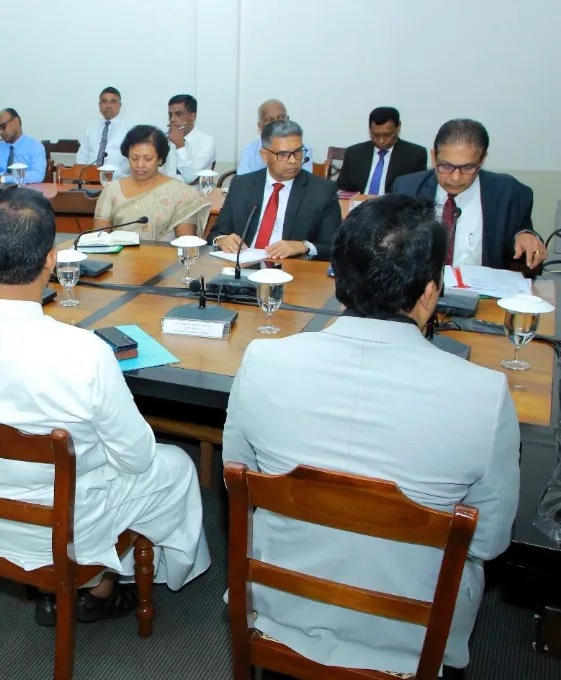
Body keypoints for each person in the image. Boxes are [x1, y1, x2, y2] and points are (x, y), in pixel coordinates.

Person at [222, 194, 519, 677]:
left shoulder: (262, 361)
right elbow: (489, 540)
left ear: (340, 284)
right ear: (429, 293)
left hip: (283, 603)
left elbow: (239, 479)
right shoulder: (485, 395)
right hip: (413, 630)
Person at [0, 188, 211, 626]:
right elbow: (137, 456)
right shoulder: (83, 352)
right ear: (52, 259)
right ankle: (124, 578)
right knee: (175, 464)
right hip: (64, 528)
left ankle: (100, 578)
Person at [391, 118, 543, 270]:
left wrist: (525, 236)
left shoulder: (509, 193)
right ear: (433, 156)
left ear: (482, 159)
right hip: (423, 290)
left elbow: (522, 234)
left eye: (468, 167)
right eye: (446, 166)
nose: (455, 177)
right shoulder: (407, 189)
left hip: (484, 291)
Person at [212, 119, 340, 260]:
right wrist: (222, 239)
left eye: (298, 152)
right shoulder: (241, 185)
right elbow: (217, 232)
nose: (293, 160)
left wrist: (304, 246)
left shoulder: (322, 191)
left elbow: (335, 247)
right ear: (265, 156)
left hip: (291, 269)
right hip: (242, 266)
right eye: (283, 154)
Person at [92, 125, 209, 241]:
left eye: (147, 159)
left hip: (164, 258)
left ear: (160, 159)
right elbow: (98, 240)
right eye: (134, 158)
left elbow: (186, 244)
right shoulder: (112, 190)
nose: (140, 165)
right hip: (120, 258)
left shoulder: (180, 193)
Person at [337, 107, 427, 196]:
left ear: (398, 127)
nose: (381, 140)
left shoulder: (415, 155)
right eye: (376, 135)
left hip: (394, 207)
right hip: (357, 206)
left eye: (387, 135)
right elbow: (341, 189)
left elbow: (419, 192)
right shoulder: (353, 153)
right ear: (369, 130)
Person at [237, 99, 314, 175]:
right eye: (270, 120)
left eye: (281, 118)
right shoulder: (249, 151)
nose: (277, 124)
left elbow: (305, 181)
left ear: (288, 120)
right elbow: (243, 181)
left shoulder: (303, 150)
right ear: (260, 126)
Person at [0, 108, 47, 185]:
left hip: (25, 193)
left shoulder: (35, 146)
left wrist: (4, 179)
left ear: (16, 121)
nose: (1, 132)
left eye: (3, 126)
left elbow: (38, 175)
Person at [76, 86, 131, 169]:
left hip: (118, 178)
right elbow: (82, 156)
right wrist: (81, 176)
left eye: (113, 102)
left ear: (119, 105)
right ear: (99, 105)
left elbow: (131, 159)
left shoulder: (129, 129)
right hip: (89, 177)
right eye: (104, 102)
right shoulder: (91, 128)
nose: (108, 106)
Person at [167, 94, 216, 184]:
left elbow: (190, 177)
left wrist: (180, 145)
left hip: (196, 195)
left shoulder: (206, 142)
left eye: (178, 114)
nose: (172, 119)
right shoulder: (165, 140)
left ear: (192, 117)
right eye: (170, 115)